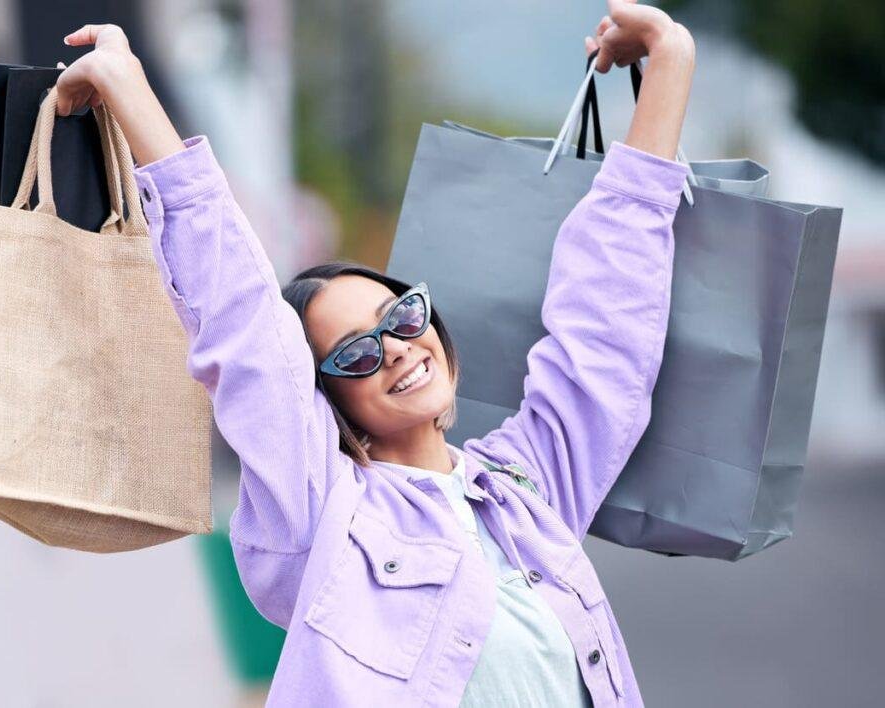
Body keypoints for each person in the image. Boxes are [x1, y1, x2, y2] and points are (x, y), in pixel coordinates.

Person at [56, 0, 695, 704]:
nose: (394, 348)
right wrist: (133, 91)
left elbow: (605, 335)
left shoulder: (528, 489)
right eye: (356, 352)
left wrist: (669, 61)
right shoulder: (324, 518)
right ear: (328, 404)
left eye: (402, 315)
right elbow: (246, 334)